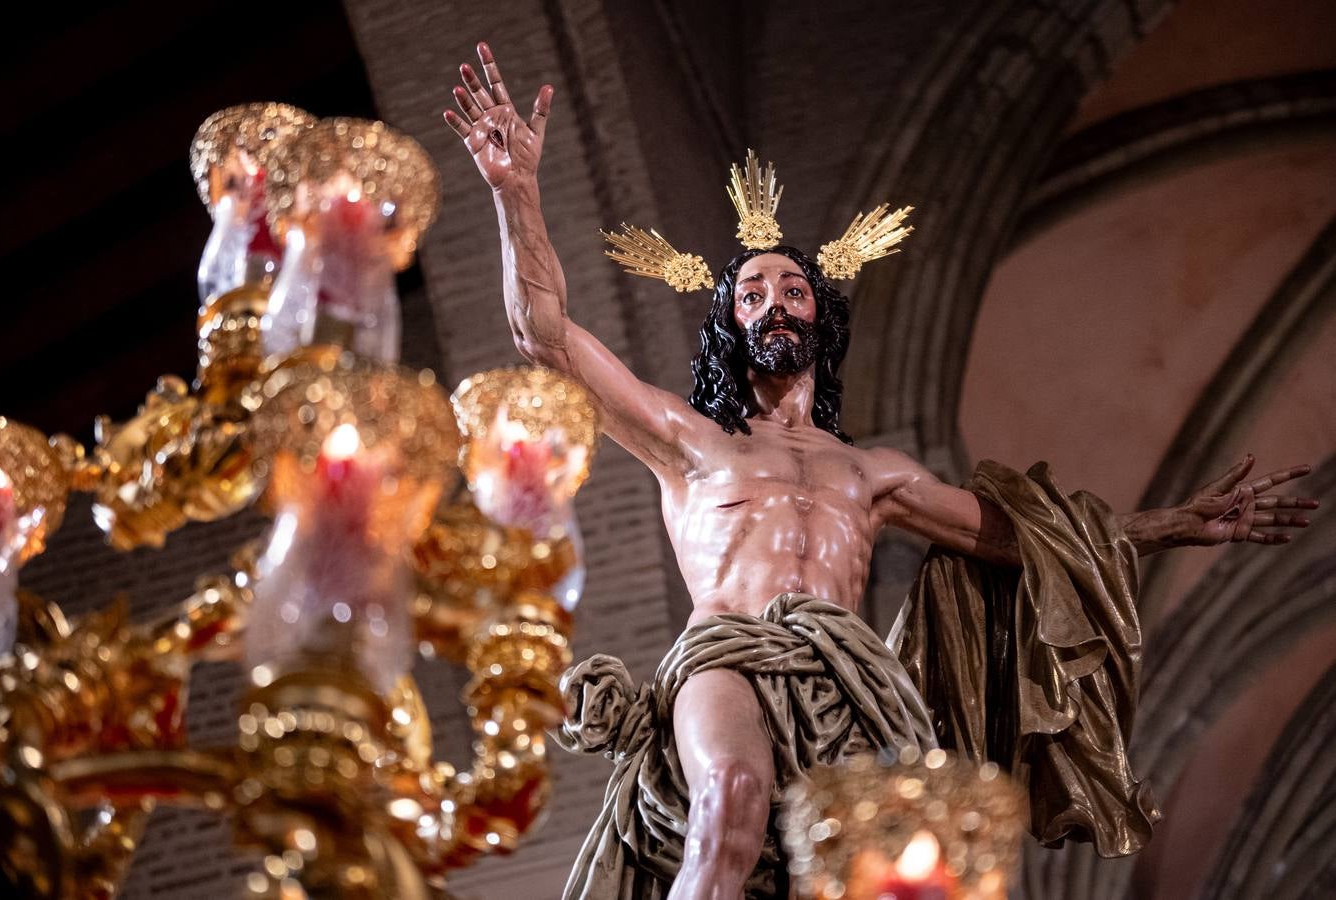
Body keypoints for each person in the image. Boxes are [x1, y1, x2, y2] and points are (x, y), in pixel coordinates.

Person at [442, 43, 1318, 900]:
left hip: (850, 676)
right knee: (730, 805)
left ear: (820, 318)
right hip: (727, 652)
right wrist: (515, 192)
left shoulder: (872, 475)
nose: (773, 302)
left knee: (890, 864)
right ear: (728, 326)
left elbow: (1035, 542)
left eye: (792, 290)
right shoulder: (689, 440)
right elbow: (544, 335)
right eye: (749, 294)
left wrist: (1171, 524)